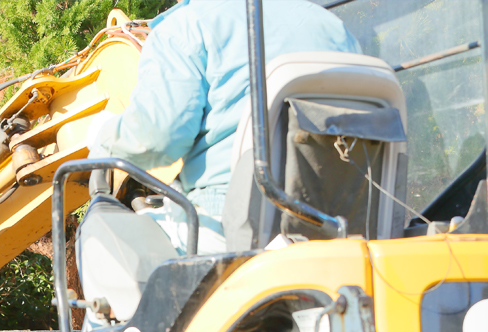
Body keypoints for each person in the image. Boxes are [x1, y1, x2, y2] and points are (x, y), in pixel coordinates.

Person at [84, 0, 360, 254]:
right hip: (344, 225)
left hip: (234, 228)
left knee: (101, 238)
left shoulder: (186, 28)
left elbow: (156, 138)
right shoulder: (334, 27)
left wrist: (104, 136)